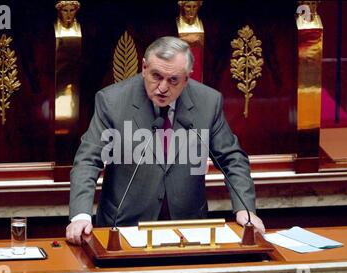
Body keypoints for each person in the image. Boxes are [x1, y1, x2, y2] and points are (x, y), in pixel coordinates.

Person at [67, 36, 265, 245]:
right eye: (156, 76)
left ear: (187, 78)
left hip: (189, 230)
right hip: (125, 227)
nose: (162, 87)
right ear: (144, 67)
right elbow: (88, 160)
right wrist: (81, 216)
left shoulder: (208, 102)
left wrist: (245, 209)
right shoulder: (112, 101)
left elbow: (232, 159)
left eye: (173, 80)